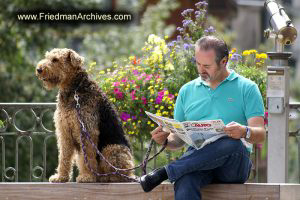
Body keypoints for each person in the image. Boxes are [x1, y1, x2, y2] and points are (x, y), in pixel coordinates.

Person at [139, 35, 266, 200]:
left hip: (233, 162)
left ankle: (166, 172)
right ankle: (172, 171)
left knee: (230, 144)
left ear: (224, 61)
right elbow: (177, 139)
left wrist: (244, 131)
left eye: (206, 65)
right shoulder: (187, 91)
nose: (200, 70)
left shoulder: (247, 88)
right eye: (197, 63)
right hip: (197, 160)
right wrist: (165, 140)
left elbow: (260, 134)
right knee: (184, 180)